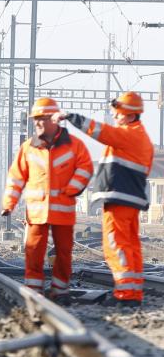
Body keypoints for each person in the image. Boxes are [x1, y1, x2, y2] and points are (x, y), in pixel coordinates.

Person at [53, 91, 153, 307]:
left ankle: (126, 295)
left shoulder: (129, 134)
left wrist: (71, 117)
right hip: (129, 199)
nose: (114, 117)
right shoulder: (140, 137)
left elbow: (100, 131)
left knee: (115, 244)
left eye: (117, 114)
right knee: (130, 246)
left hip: (120, 198)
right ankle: (132, 293)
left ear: (128, 115)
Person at [2, 98, 93, 303]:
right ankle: (33, 292)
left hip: (63, 210)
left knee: (63, 253)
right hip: (36, 212)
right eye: (36, 120)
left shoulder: (74, 146)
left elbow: (85, 168)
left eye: (42, 119)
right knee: (33, 252)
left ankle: (60, 291)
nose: (38, 123)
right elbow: (16, 177)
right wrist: (9, 203)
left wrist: (72, 189)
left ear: (55, 119)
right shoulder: (28, 148)